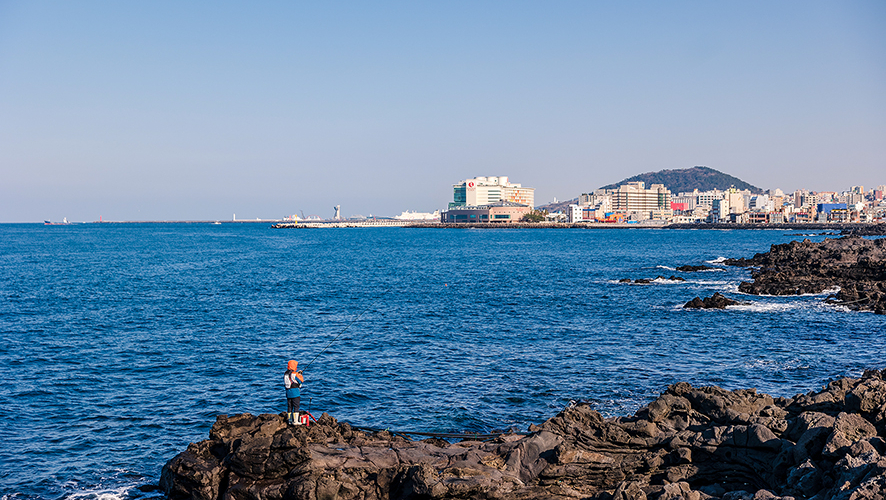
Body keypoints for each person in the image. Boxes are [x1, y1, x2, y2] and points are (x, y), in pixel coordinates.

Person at [284, 360, 304, 425]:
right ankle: (295, 421)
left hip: (288, 393)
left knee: (290, 406)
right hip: (295, 393)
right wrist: (300, 374)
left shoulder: (285, 374)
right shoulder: (295, 374)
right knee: (296, 406)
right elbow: (301, 380)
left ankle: (290, 420)